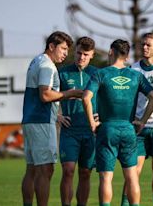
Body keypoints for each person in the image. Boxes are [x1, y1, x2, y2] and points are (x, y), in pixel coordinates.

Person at [82, 39, 153, 206]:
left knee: (106, 178)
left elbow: (86, 97)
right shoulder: (136, 75)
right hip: (129, 129)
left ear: (111, 52)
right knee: (132, 176)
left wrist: (92, 123)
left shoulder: (100, 74)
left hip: (107, 129)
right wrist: (143, 121)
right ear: (127, 55)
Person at [21, 31, 82, 206]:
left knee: (32, 169)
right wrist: (68, 93)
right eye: (63, 49)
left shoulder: (36, 60)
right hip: (41, 120)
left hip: (30, 120)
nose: (65, 53)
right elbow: (45, 95)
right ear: (51, 46)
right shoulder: (48, 65)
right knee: (46, 169)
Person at [121, 32, 153, 206]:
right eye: (143, 44)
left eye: (149, 45)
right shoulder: (133, 69)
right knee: (133, 172)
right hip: (137, 127)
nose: (144, 47)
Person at [58, 37, 98, 206]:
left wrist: (102, 116)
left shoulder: (98, 73)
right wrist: (57, 116)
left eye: (86, 54)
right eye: (79, 53)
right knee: (68, 171)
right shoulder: (62, 73)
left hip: (91, 131)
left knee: (85, 172)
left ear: (92, 55)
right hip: (69, 131)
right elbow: (47, 97)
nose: (81, 57)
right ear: (75, 52)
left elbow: (108, 98)